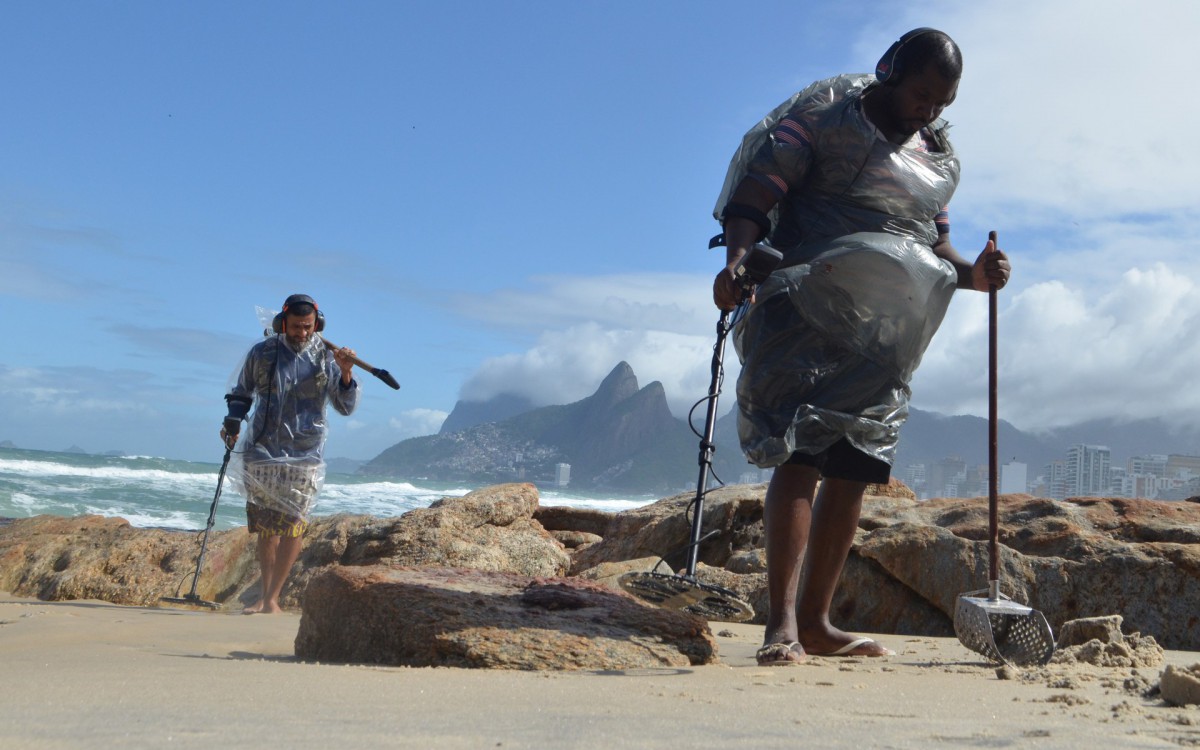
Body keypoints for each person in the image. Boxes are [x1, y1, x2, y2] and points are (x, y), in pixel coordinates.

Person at [711, 29, 1011, 664]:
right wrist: (738, 261)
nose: (930, 108)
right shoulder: (822, 119)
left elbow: (932, 245)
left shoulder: (936, 158)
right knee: (800, 454)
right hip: (802, 314)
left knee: (852, 468)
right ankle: (782, 627)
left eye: (944, 99)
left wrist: (977, 274)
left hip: (884, 336)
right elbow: (758, 194)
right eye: (922, 92)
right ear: (889, 72)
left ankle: (818, 624)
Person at [220, 293, 359, 614]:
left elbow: (345, 406)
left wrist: (347, 373)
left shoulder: (327, 358)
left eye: (308, 327)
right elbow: (242, 392)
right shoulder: (263, 352)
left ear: (317, 324)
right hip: (262, 452)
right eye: (296, 327)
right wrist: (232, 421)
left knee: (294, 525)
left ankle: (273, 597)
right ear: (282, 323)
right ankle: (264, 596)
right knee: (266, 529)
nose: (302, 333)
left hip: (305, 454)